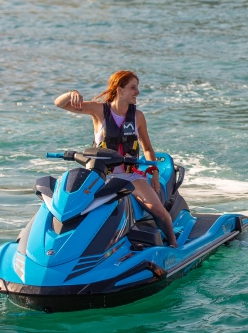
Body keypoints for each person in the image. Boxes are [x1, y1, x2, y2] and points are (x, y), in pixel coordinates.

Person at [54, 70, 178, 248]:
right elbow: (60, 104)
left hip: (130, 176)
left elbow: (147, 149)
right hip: (100, 175)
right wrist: (71, 93)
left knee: (158, 210)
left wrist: (154, 173)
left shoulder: (138, 117)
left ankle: (173, 243)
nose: (137, 92)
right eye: (133, 88)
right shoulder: (98, 110)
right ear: (120, 90)